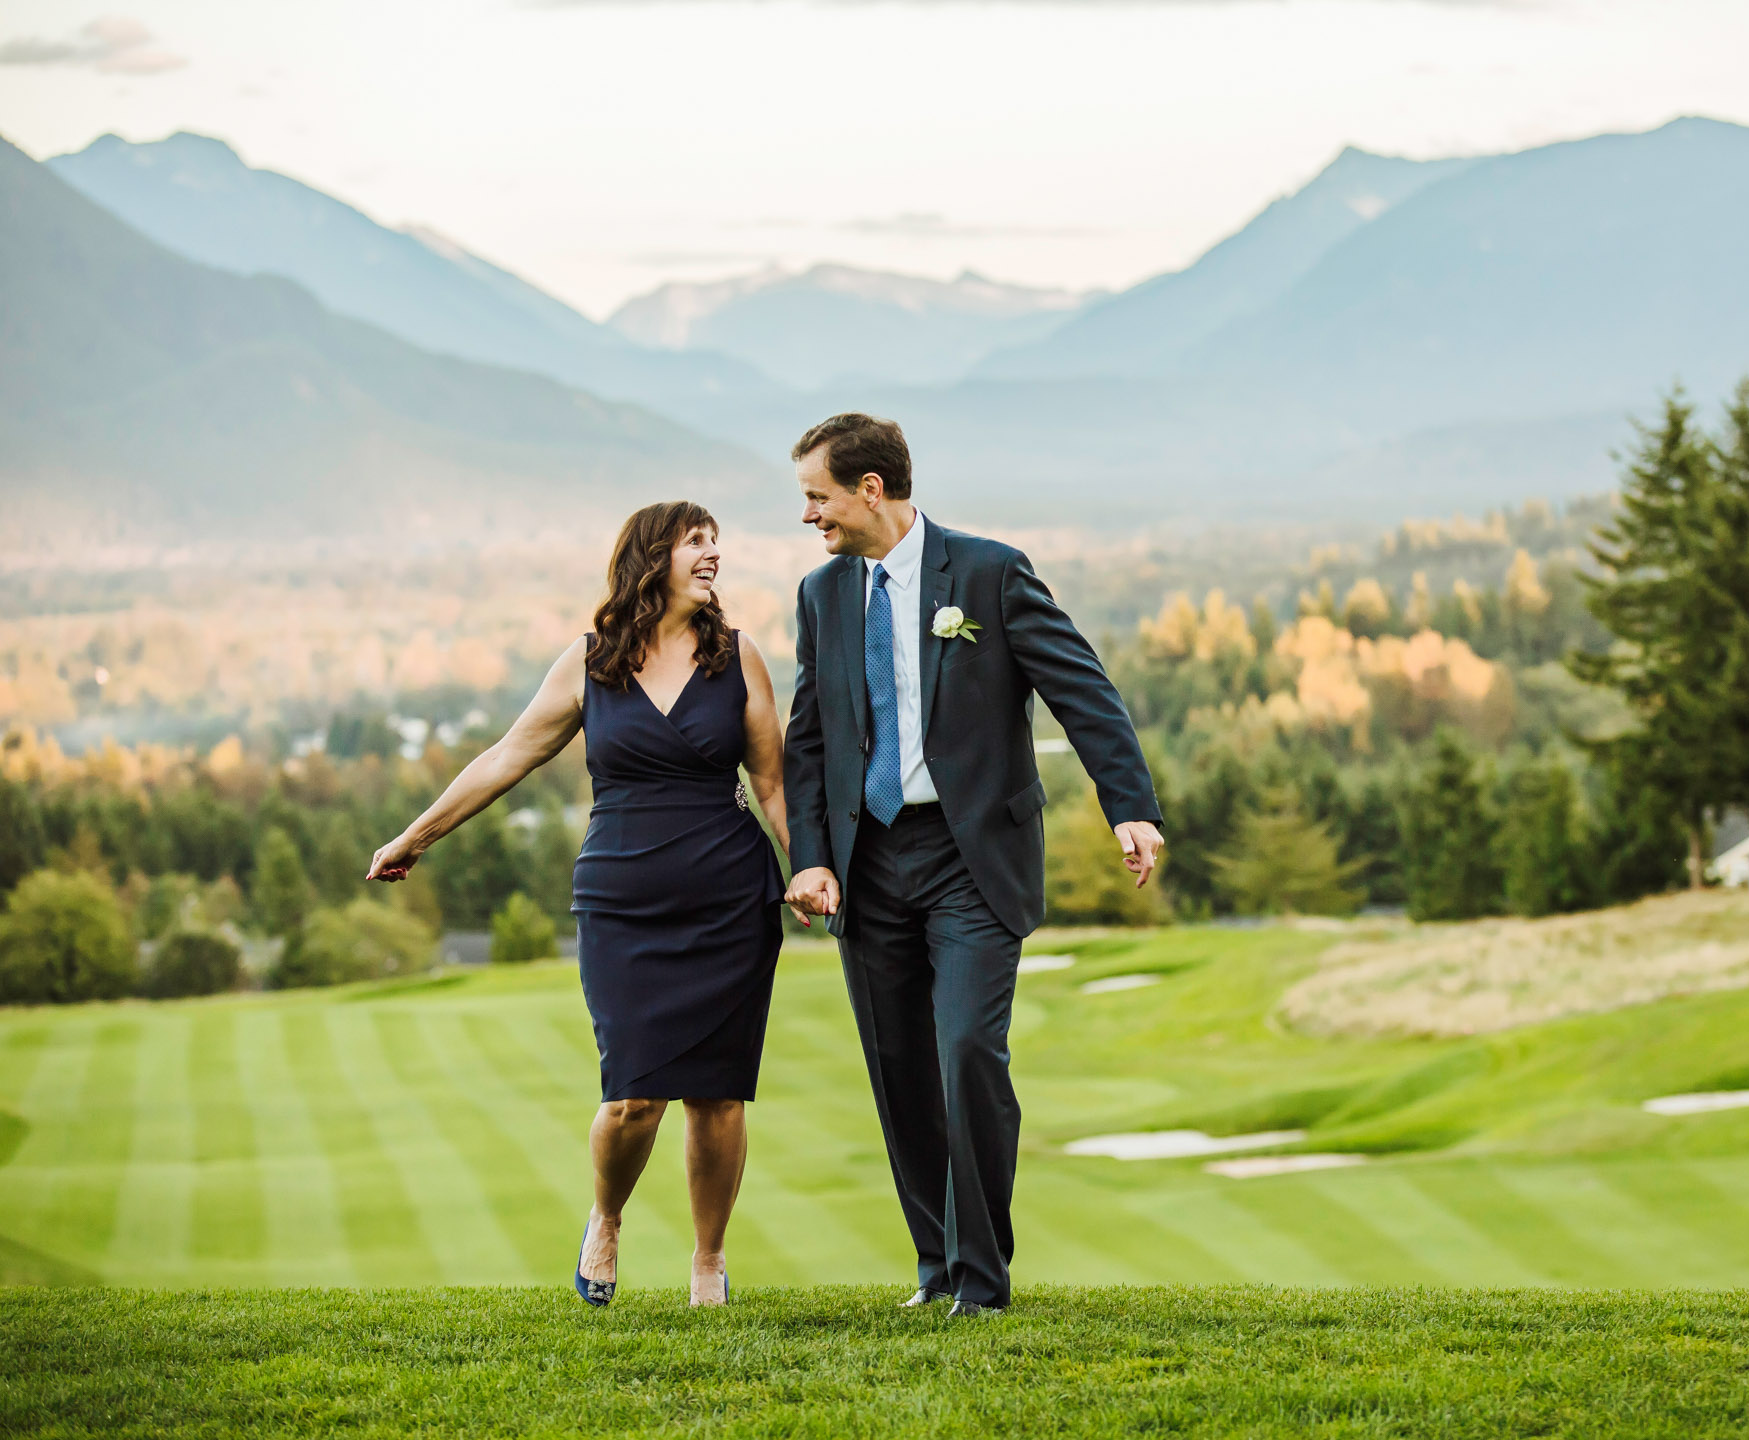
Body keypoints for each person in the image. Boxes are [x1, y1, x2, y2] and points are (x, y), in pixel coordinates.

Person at [782, 413, 1164, 1318]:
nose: (809, 517)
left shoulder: (989, 574)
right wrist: (812, 858)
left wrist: (1131, 805)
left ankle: (983, 1282)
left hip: (971, 858)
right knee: (898, 1065)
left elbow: (1082, 690)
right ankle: (937, 1267)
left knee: (965, 1052)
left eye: (817, 497)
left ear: (871, 490)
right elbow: (809, 740)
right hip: (868, 862)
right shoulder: (820, 595)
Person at [367, 502, 788, 1308]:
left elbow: (771, 781)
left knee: (718, 1092)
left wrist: (811, 872)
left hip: (729, 897)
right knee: (632, 1094)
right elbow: (508, 756)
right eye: (695, 543)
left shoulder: (739, 659)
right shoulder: (591, 661)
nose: (713, 556)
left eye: (716, 543)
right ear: (650, 557)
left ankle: (708, 1262)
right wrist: (415, 837)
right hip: (622, 901)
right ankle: (607, 1218)